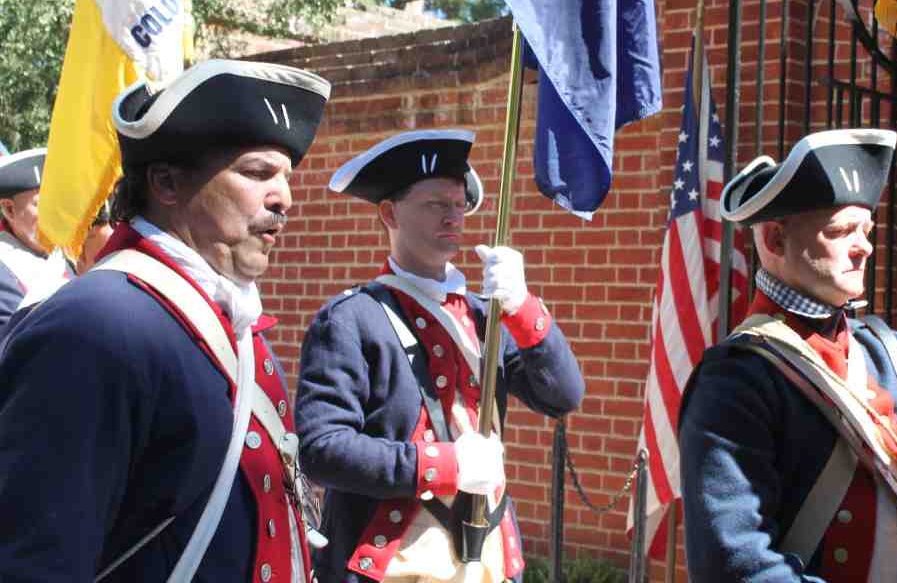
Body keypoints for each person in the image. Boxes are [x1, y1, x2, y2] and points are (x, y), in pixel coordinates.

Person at [0, 59, 331, 582]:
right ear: (167, 183)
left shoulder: (231, 320)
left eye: (285, 177)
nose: (284, 198)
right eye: (256, 173)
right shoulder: (94, 326)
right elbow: (37, 560)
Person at [295, 129, 585, 583]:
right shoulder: (353, 318)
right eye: (435, 204)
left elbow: (563, 395)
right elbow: (323, 450)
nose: (453, 217)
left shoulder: (484, 315)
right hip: (393, 565)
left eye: (457, 205)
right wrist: (445, 466)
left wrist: (525, 307)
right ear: (389, 214)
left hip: (487, 559)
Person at [678, 129, 897, 582]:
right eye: (841, 230)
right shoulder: (736, 381)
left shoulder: (882, 350)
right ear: (773, 240)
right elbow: (735, 565)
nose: (864, 246)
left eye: (867, 230)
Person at [0, 147, 74, 327]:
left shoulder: (71, 250)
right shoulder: (4, 272)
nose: (54, 214)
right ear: (9, 210)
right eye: (41, 205)